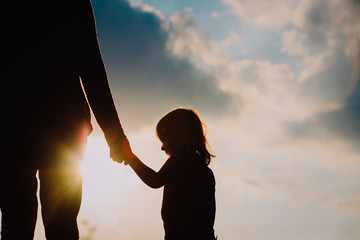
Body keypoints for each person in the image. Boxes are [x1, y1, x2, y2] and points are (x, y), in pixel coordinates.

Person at [1, 1, 126, 239]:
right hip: (62, 125)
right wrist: (114, 134)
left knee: (15, 222)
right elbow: (92, 68)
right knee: (61, 225)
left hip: (14, 126)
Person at [119, 108, 217, 240]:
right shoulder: (204, 170)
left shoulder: (180, 162)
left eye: (164, 140)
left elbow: (155, 180)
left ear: (176, 136)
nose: (162, 147)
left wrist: (130, 157)